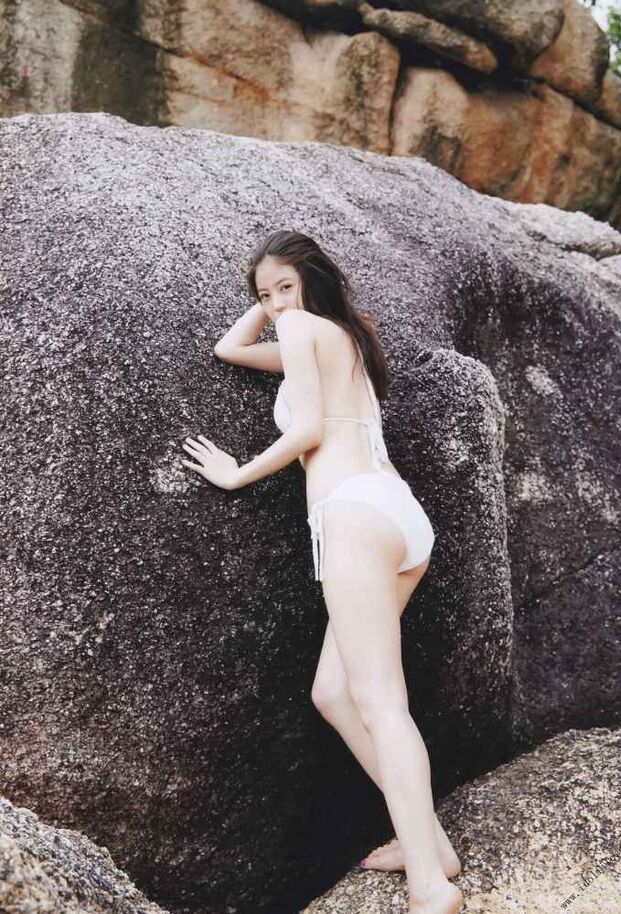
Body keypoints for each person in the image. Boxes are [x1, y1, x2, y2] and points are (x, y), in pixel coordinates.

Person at [181, 230, 463, 914]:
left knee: (382, 703)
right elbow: (230, 348)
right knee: (334, 692)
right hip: (397, 516)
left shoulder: (305, 328)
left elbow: (307, 428)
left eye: (288, 285)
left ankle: (431, 886)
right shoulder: (343, 334)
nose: (277, 305)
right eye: (265, 294)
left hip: (352, 515)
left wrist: (236, 474)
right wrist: (270, 299)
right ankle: (430, 844)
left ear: (313, 277)